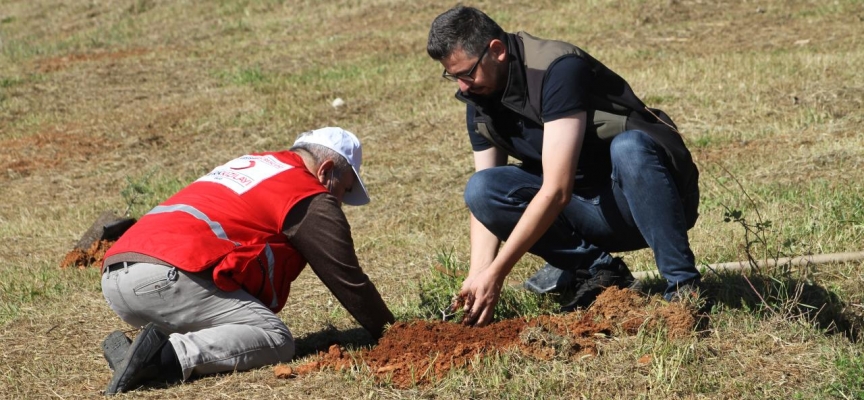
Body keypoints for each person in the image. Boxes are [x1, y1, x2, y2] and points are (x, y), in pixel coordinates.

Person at [427, 6, 702, 327]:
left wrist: (498, 273)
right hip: (589, 211)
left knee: (630, 147)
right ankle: (601, 271)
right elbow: (483, 198)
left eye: (466, 73)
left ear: (497, 51)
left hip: (651, 200)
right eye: (453, 75)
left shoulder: (557, 70)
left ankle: (684, 289)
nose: (462, 86)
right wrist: (478, 277)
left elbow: (557, 189)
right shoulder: (479, 97)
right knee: (482, 188)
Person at [99, 127, 395, 394]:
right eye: (344, 189)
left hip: (117, 279)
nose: (340, 201)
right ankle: (160, 356)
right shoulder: (306, 194)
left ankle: (139, 350)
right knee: (275, 338)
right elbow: (346, 277)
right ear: (326, 170)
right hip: (167, 276)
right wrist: (393, 334)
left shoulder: (257, 165)